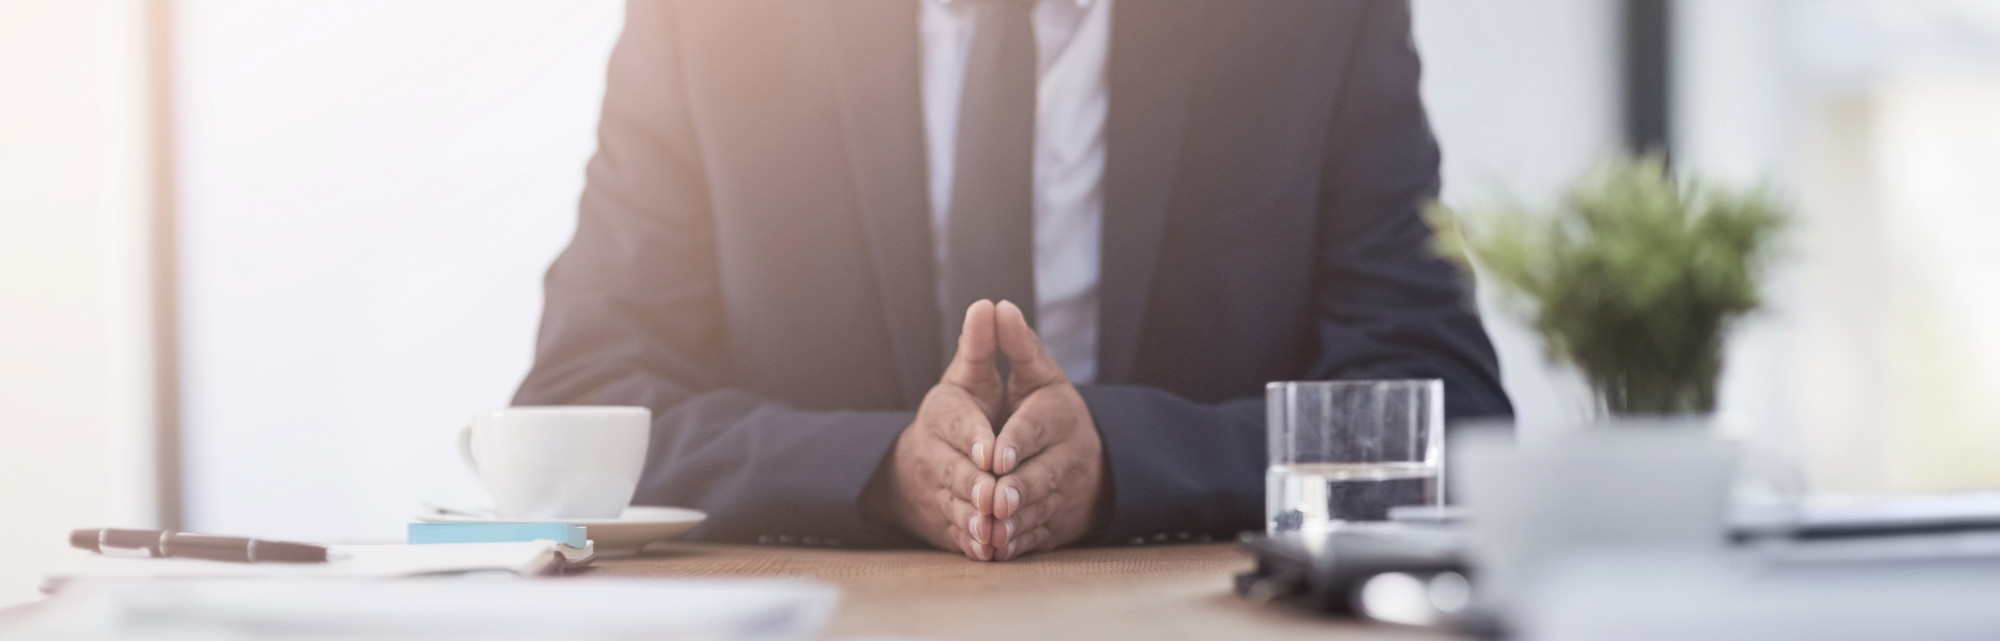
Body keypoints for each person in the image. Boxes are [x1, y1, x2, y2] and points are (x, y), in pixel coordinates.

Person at [516, 0, 1511, 562]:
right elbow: (575, 411)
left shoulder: (1308, 25)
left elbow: (1444, 417)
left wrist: (1126, 463)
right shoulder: (712, 26)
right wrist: (882, 473)